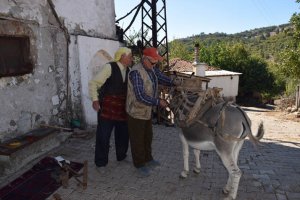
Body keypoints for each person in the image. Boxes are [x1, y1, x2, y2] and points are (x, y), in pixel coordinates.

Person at [126, 47, 175, 177]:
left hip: (146, 111)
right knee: (137, 140)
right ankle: (139, 164)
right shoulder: (136, 72)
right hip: (136, 112)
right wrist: (159, 102)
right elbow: (140, 96)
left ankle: (148, 159)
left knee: (147, 137)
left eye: (156, 62)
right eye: (153, 62)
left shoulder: (151, 69)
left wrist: (174, 83)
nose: (155, 65)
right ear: (145, 59)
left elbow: (161, 77)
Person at [89, 47, 133, 168]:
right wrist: (95, 99)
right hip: (107, 107)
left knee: (123, 134)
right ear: (122, 56)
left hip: (122, 108)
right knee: (103, 135)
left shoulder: (129, 70)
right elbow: (93, 83)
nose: (131, 59)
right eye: (130, 56)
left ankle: (121, 156)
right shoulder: (109, 67)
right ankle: (101, 163)